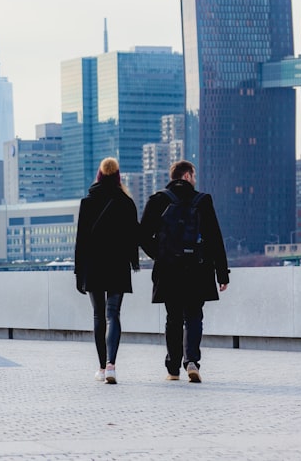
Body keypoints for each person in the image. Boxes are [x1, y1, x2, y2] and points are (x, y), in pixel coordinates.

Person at [139, 160, 229, 382]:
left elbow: (141, 236)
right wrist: (222, 274)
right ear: (187, 176)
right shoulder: (203, 201)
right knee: (194, 316)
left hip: (169, 269)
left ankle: (172, 368)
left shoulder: (158, 199)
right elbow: (215, 239)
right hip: (198, 269)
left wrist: (160, 255)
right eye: (194, 175)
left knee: (173, 318)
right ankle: (191, 361)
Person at [74, 157, 141, 384]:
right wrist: (134, 262)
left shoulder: (88, 202)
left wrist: (78, 273)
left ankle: (101, 367)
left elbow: (80, 241)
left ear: (99, 175)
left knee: (98, 315)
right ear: (117, 176)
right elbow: (134, 237)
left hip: (93, 266)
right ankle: (112, 365)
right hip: (117, 264)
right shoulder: (126, 202)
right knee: (113, 314)